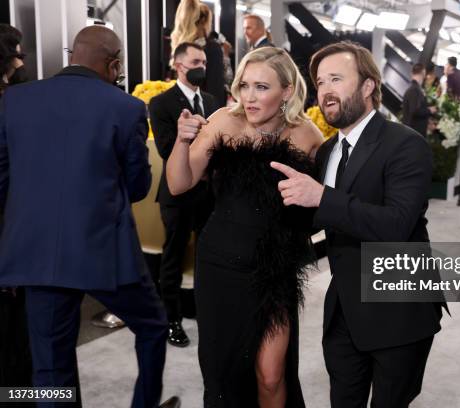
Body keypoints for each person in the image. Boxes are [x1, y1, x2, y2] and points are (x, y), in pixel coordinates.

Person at [0, 26, 177, 408]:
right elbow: (137, 187)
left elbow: (2, 182)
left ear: (71, 54)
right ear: (114, 65)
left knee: (50, 368)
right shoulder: (126, 107)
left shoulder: (14, 100)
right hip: (105, 254)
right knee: (152, 328)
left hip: (35, 254)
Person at [270, 41, 445, 407]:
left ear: (369, 86)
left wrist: (321, 197)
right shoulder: (330, 151)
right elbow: (328, 222)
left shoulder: (405, 145)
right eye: (320, 82)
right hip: (345, 311)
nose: (326, 91)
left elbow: (396, 225)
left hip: (399, 312)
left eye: (336, 78)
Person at [168, 46, 322, 406]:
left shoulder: (307, 135)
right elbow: (178, 184)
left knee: (271, 374)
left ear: (286, 91)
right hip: (220, 265)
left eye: (261, 88)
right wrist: (181, 140)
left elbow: (321, 202)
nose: (249, 97)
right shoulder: (224, 121)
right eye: (245, 85)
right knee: (224, 373)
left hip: (274, 271)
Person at [149, 42, 220, 348]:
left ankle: (204, 310)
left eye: (203, 61)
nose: (201, 66)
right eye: (195, 61)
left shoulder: (212, 99)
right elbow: (166, 149)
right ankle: (171, 319)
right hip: (176, 194)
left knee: (207, 255)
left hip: (207, 193)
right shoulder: (161, 103)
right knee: (173, 257)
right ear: (178, 65)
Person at [0, 23, 32, 395]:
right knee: (14, 344)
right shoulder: (11, 105)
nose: (22, 58)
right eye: (17, 50)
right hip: (8, 236)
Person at [170, 0, 225, 107]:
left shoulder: (178, 49)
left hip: (178, 109)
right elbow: (215, 89)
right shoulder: (212, 48)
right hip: (203, 113)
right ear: (205, 21)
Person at [401, 63, 436, 137]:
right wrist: (429, 110)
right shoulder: (414, 90)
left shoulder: (413, 89)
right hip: (413, 133)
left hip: (411, 132)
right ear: (423, 72)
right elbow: (415, 111)